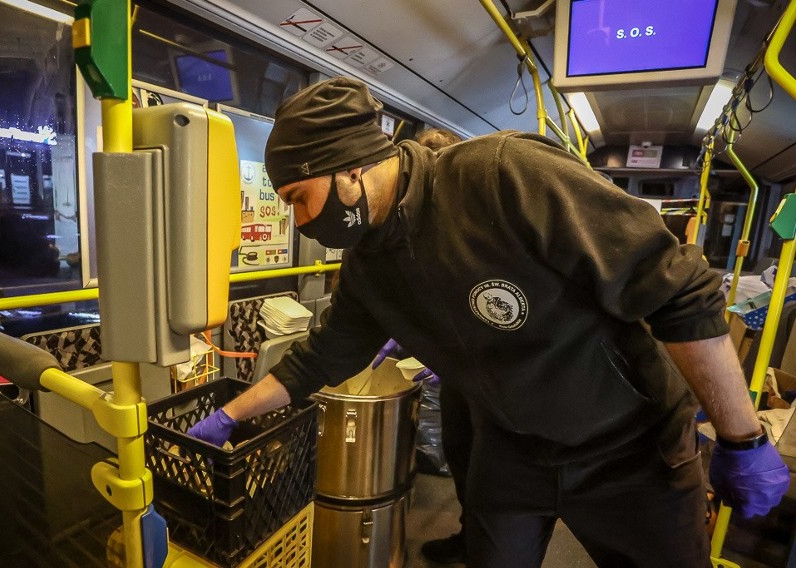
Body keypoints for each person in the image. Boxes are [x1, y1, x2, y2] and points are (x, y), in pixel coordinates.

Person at [189, 76, 790, 567]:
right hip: (514, 450)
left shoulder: (503, 176)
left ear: (349, 170)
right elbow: (320, 357)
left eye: (298, 196)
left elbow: (677, 288)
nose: (298, 221)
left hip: (627, 447)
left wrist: (742, 438)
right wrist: (227, 417)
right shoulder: (368, 263)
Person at [372, 126, 470, 565]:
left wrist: (447, 353)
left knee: (489, 464)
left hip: (487, 376)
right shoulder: (401, 232)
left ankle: (481, 536)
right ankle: (470, 534)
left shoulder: (469, 229)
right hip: (457, 377)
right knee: (461, 448)